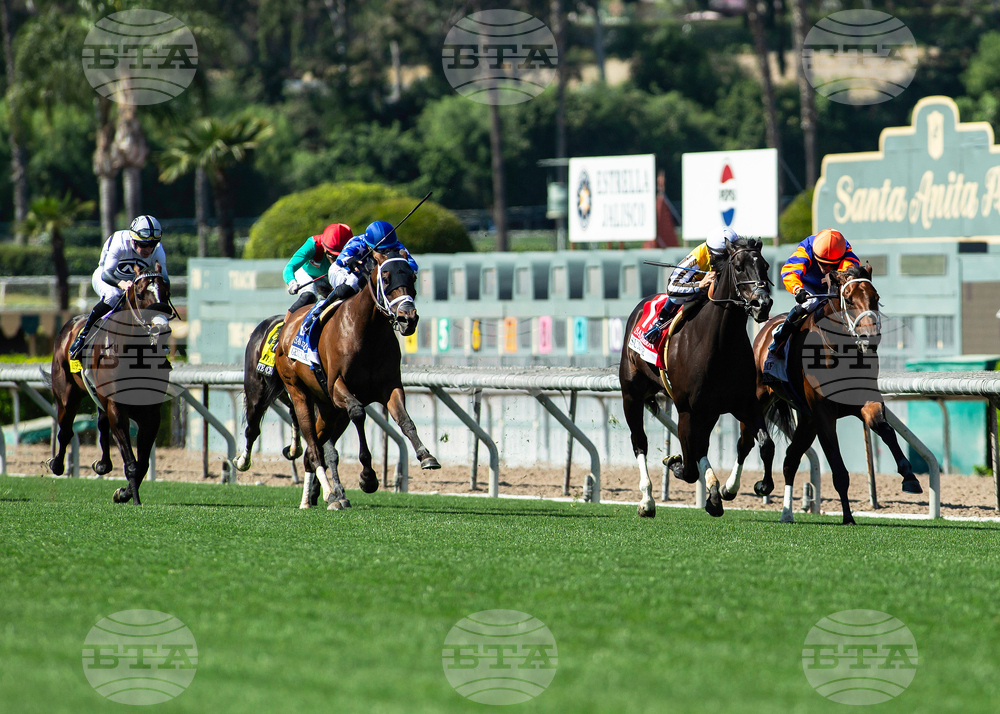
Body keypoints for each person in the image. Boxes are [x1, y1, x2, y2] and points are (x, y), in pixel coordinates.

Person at [69, 215, 168, 359]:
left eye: (152, 244)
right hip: (107, 277)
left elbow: (165, 280)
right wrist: (121, 283)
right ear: (133, 241)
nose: (149, 249)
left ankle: (159, 342)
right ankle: (83, 336)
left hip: (133, 281)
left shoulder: (158, 250)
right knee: (113, 295)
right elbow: (106, 274)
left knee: (154, 301)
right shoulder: (120, 243)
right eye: (144, 244)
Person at [767, 228, 860, 356]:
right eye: (822, 263)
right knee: (810, 303)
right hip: (807, 284)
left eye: (831, 265)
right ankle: (780, 338)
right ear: (815, 255)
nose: (827, 268)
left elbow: (850, 272)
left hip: (832, 282)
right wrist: (797, 289)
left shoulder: (846, 252)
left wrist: (837, 280)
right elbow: (790, 271)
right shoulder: (807, 248)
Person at [642, 227, 737, 344]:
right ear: (709, 252)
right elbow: (672, 287)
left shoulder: (738, 255)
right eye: (721, 259)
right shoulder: (697, 256)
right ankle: (660, 322)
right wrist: (700, 285)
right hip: (698, 292)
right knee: (676, 297)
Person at [326, 220, 419, 302]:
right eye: (381, 251)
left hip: (369, 273)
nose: (386, 254)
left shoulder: (396, 245)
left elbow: (413, 266)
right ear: (369, 246)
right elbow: (340, 259)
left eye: (390, 250)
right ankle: (320, 309)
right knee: (350, 286)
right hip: (344, 271)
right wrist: (351, 261)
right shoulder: (357, 242)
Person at [284, 223, 352, 314]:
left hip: (330, 278)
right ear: (324, 248)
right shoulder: (312, 244)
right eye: (333, 256)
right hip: (307, 274)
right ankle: (285, 325)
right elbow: (289, 267)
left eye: (340, 256)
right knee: (308, 297)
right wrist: (291, 282)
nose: (336, 261)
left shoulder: (354, 246)